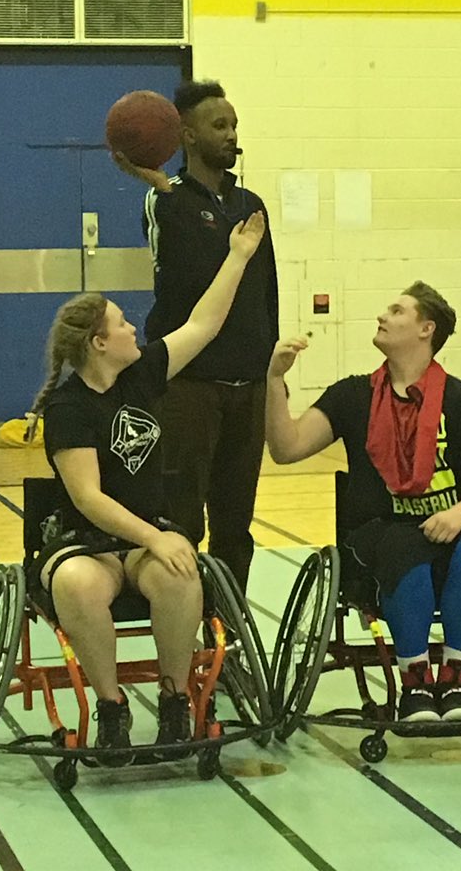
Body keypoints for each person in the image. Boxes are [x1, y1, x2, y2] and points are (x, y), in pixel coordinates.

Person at [25, 208, 265, 765]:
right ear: (97, 344)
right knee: (81, 586)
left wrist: (238, 257)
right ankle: (111, 709)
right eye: (122, 322)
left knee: (181, 577)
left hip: (143, 541)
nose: (135, 327)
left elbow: (203, 327)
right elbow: (88, 498)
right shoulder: (69, 408)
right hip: (84, 542)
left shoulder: (142, 374)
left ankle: (176, 700)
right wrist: (153, 538)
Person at [265, 281, 461, 723]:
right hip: (379, 532)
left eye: (396, 311)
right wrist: (275, 379)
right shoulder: (352, 396)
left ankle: (455, 684)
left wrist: (459, 513)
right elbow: (286, 447)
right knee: (403, 552)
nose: (382, 316)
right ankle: (414, 686)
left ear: (425, 329)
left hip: (450, 525)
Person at [114, 80, 279, 593]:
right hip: (188, 389)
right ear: (186, 134)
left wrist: (269, 373)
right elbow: (182, 264)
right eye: (219, 125)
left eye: (234, 125)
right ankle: (184, 629)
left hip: (246, 388)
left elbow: (266, 293)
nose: (231, 135)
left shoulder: (252, 203)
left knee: (236, 526)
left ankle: (225, 632)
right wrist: (162, 186)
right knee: (183, 520)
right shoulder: (164, 203)